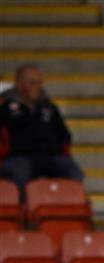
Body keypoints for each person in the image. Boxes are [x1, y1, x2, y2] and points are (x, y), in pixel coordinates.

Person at [0, 64, 83, 198]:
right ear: (19, 83)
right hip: (18, 157)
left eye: (39, 83)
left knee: (73, 172)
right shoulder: (5, 107)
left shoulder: (49, 108)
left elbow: (64, 134)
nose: (37, 87)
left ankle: (67, 214)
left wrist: (60, 150)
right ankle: (24, 213)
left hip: (50, 156)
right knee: (19, 175)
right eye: (32, 82)